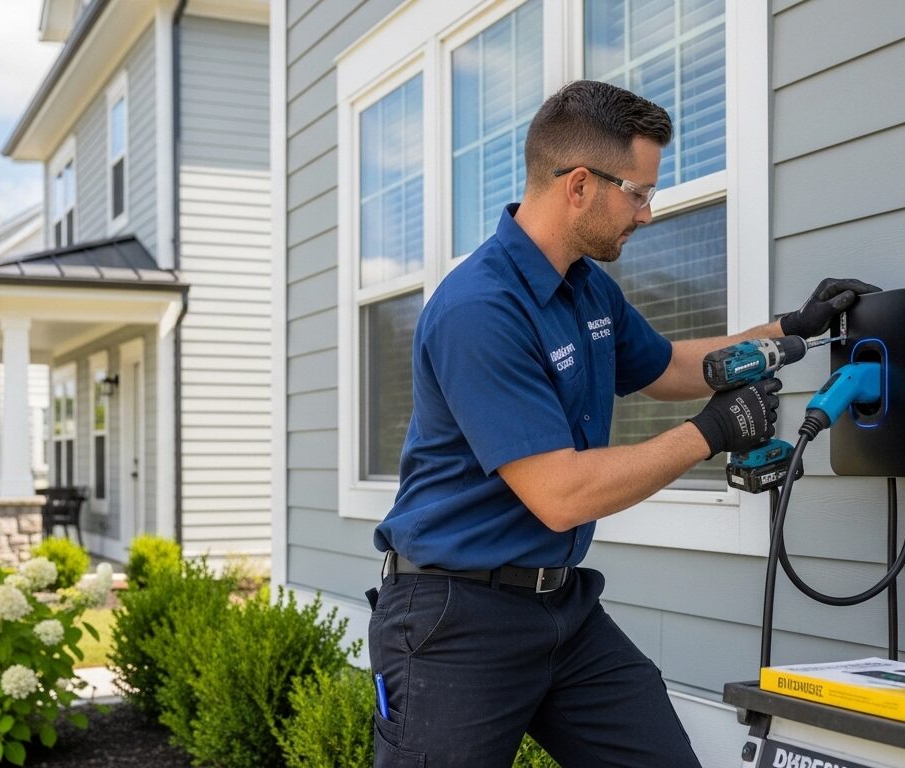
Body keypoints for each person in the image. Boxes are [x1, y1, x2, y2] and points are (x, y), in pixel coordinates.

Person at [367, 79, 879, 767]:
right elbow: (560, 494)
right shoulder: (479, 310)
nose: (648, 213)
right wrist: (711, 433)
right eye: (638, 193)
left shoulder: (585, 286)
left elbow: (670, 366)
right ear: (580, 185)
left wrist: (789, 329)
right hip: (454, 619)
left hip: (561, 606)